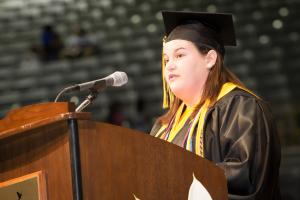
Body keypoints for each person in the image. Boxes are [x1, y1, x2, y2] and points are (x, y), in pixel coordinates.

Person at [150, 11, 281, 199]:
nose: (169, 65)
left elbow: (248, 180)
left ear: (210, 58)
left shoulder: (241, 109)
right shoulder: (163, 127)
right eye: (166, 59)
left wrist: (177, 181)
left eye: (179, 55)